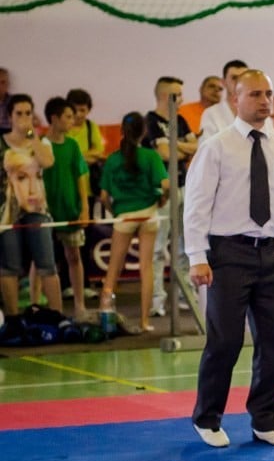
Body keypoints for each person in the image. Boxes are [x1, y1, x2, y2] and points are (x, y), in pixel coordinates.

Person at [184, 69, 274, 448]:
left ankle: (265, 420)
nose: (264, 101)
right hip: (227, 252)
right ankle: (207, 417)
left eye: (269, 94)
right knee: (225, 341)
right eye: (255, 94)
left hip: (272, 251)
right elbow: (196, 206)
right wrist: (197, 255)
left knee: (273, 341)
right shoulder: (217, 147)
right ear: (235, 99)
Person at [99, 112, 169, 332]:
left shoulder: (112, 159)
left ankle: (105, 316)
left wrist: (115, 211)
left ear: (122, 131)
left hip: (124, 216)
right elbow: (166, 186)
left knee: (113, 270)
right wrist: (161, 202)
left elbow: (103, 197)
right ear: (144, 132)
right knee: (146, 267)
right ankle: (144, 321)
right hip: (148, 214)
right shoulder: (151, 156)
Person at [144, 76, 198, 317]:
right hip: (162, 190)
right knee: (158, 247)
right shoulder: (150, 121)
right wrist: (180, 147)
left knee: (186, 245)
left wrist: (176, 145)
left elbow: (197, 147)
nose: (183, 99)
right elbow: (165, 154)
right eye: (179, 95)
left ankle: (185, 293)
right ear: (166, 97)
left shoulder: (181, 120)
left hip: (184, 186)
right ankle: (157, 299)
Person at [41, 97, 90, 319]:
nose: (73, 120)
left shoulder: (72, 145)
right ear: (54, 118)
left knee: (74, 257)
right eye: (68, 117)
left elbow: (81, 176)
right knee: (41, 262)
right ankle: (42, 306)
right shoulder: (42, 145)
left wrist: (84, 207)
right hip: (46, 211)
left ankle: (80, 305)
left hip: (71, 209)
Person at [0, 150, 63, 319]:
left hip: (40, 214)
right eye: (22, 178)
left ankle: (59, 319)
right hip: (5, 215)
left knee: (48, 265)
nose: (32, 189)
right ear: (8, 180)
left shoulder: (41, 145)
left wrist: (32, 135)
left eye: (39, 177)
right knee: (9, 268)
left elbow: (50, 160)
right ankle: (12, 320)